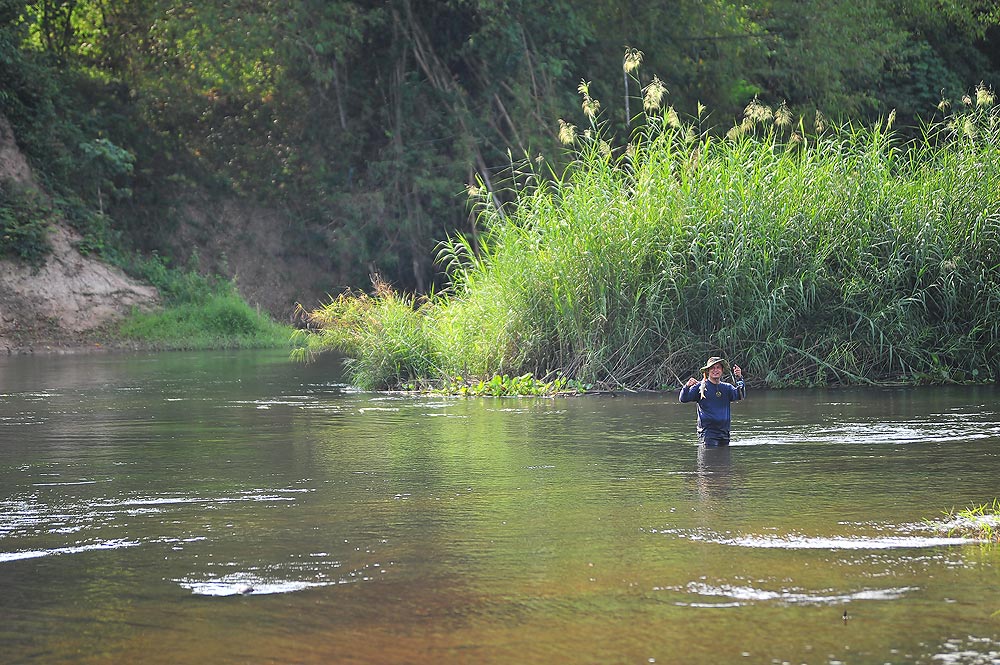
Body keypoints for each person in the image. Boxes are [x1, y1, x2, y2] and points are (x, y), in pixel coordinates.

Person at [679, 356, 746, 447]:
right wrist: (687, 386)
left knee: (724, 460)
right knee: (709, 459)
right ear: (708, 371)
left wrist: (739, 378)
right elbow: (683, 399)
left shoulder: (727, 387)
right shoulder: (700, 386)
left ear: (722, 370)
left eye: (718, 367)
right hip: (707, 434)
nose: (715, 370)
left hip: (724, 433)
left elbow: (740, 396)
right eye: (712, 368)